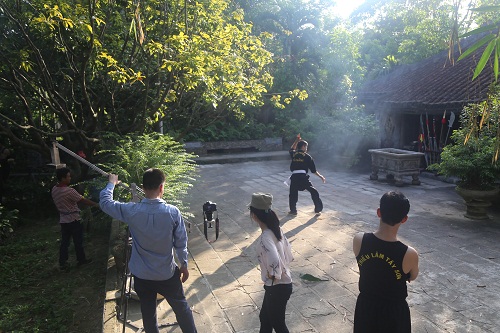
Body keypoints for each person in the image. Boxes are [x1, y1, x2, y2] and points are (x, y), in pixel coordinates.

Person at [99, 169, 197, 333]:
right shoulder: (172, 212)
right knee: (181, 307)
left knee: (148, 312)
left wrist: (111, 183)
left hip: (142, 275)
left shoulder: (131, 211)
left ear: (143, 188)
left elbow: (105, 203)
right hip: (166, 273)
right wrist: (184, 264)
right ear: (161, 188)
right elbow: (181, 242)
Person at [352, 191, 419, 333]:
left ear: (378, 212)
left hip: (366, 306)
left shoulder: (359, 239)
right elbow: (412, 276)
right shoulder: (409, 253)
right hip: (394, 312)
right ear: (404, 219)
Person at [249, 192, 293, 333]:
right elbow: (288, 252)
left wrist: (273, 276)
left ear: (254, 216)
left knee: (278, 324)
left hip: (277, 287)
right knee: (265, 318)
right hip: (281, 285)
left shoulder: (265, 237)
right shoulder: (276, 229)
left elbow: (274, 260)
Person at [51, 167, 98, 270]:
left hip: (63, 219)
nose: (70, 178)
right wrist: (97, 205)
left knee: (65, 242)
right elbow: (83, 200)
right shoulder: (69, 191)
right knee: (78, 241)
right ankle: (81, 260)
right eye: (68, 176)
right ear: (63, 178)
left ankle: (62, 262)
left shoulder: (54, 189)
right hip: (74, 219)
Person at [288, 134, 326, 215]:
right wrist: (320, 176)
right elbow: (313, 170)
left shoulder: (294, 154)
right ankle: (318, 209)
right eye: (306, 147)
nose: (306, 149)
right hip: (302, 178)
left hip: (294, 177)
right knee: (314, 191)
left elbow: (292, 149)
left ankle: (293, 211)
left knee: (293, 194)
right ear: (304, 146)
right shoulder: (308, 157)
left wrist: (296, 140)